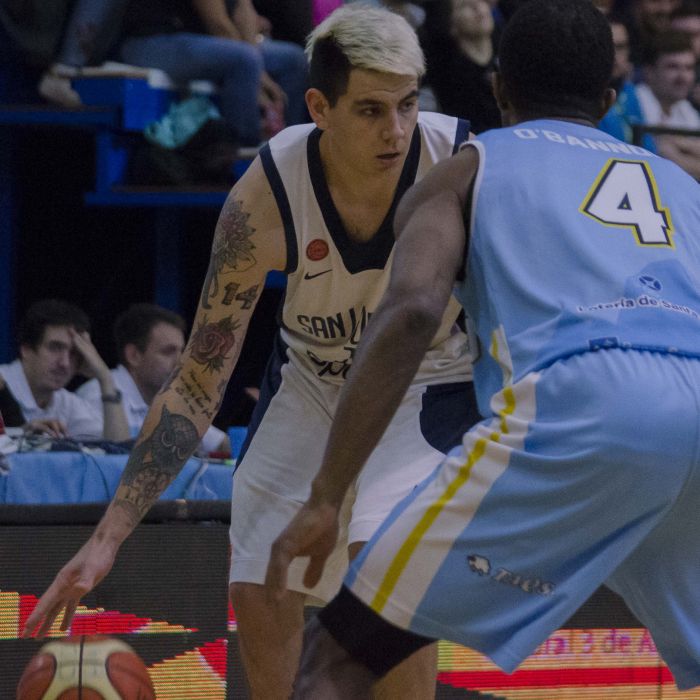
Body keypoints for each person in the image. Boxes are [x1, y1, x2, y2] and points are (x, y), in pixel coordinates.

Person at [22, 5, 479, 699]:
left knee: (383, 565)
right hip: (315, 379)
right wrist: (108, 537)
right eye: (371, 110)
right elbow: (197, 382)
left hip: (425, 382)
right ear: (319, 108)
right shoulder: (267, 194)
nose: (396, 129)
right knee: (261, 581)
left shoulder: (460, 163)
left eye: (407, 104)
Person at [264, 0, 700, 696]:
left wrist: (326, 495)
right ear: (609, 99)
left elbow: (412, 311)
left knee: (339, 655)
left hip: (582, 399)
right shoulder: (682, 183)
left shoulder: (467, 169)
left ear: (500, 90)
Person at [118, 0, 309, 146]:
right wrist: (260, 79)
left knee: (293, 60)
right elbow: (218, 24)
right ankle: (245, 156)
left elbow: (243, 9)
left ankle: (288, 149)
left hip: (197, 37)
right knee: (244, 60)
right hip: (151, 41)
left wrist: (261, 72)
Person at [76, 303, 229, 454]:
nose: (181, 363)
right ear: (134, 355)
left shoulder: (171, 397)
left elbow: (224, 444)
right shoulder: (98, 393)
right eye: (168, 352)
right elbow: (113, 458)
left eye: (182, 352)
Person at [0, 299, 129, 441]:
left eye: (74, 353)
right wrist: (19, 433)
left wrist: (105, 377)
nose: (65, 363)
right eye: (55, 348)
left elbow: (118, 448)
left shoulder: (65, 402)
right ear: (26, 349)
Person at [420, 0, 501, 133]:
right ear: (450, 23)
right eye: (465, 5)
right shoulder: (445, 70)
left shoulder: (508, 50)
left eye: (481, 0)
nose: (478, 7)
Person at [636, 29, 700, 177]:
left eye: (688, 68)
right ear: (649, 71)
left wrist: (675, 143)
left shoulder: (685, 108)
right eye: (673, 67)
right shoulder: (634, 103)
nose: (683, 77)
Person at [599, 12, 658, 151]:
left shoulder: (629, 91)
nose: (614, 55)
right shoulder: (585, 95)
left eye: (620, 47)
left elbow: (648, 146)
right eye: (607, 46)